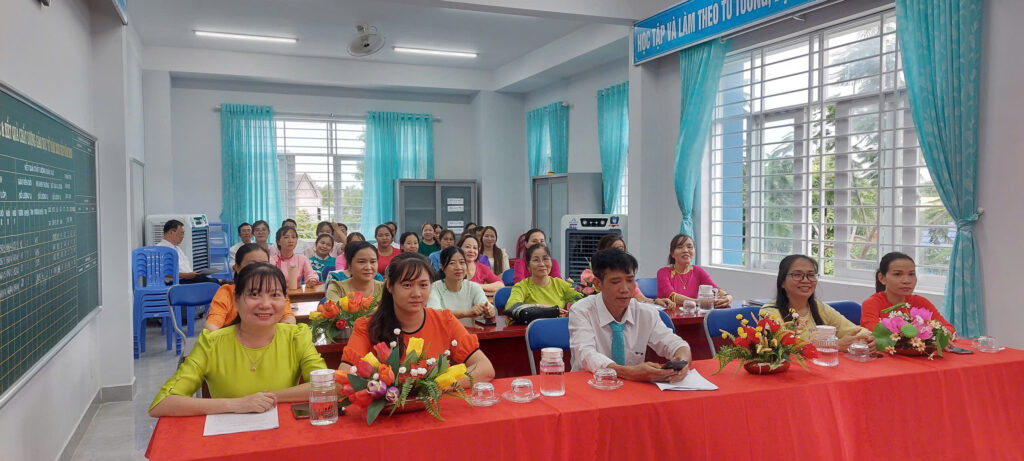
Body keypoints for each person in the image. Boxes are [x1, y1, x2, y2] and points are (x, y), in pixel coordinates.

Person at [149, 263, 327, 417]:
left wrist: (266, 398)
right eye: (254, 294)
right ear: (236, 300)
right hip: (228, 437)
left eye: (275, 295)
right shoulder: (212, 343)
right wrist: (237, 404)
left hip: (282, 432)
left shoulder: (296, 336)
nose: (266, 304)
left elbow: (326, 386)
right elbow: (162, 403)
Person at [339, 253, 495, 387]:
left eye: (423, 285)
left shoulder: (444, 320)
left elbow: (485, 368)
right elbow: (342, 379)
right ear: (390, 286)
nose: (417, 293)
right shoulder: (368, 327)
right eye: (407, 285)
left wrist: (437, 387)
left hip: (436, 407)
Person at [569, 249, 692, 382]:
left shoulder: (645, 313)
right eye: (615, 282)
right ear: (598, 284)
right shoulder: (582, 311)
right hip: (588, 385)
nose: (625, 289)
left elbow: (675, 344)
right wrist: (629, 372)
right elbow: (586, 355)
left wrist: (682, 362)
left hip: (633, 387)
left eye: (630, 280)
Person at [761, 255, 875, 350]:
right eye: (797, 275)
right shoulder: (769, 312)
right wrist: (834, 345)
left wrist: (870, 338)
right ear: (782, 282)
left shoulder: (819, 308)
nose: (805, 280)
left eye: (811, 275)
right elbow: (784, 346)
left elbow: (853, 330)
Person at [205, 244, 297, 331]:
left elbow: (288, 317)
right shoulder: (227, 292)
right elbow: (212, 325)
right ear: (237, 267)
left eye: (264, 264)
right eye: (252, 265)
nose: (259, 269)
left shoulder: (275, 291)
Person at [861, 252, 955, 334]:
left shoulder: (920, 302)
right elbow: (876, 334)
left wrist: (945, 336)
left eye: (911, 274)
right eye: (897, 274)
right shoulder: (872, 304)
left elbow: (948, 328)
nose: (907, 281)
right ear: (882, 278)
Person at [580, 234, 675, 309]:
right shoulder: (589, 276)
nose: (624, 289)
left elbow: (641, 299)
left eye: (622, 250)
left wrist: (655, 301)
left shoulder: (627, 277)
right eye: (615, 282)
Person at [656, 234, 731, 307]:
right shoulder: (663, 272)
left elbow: (715, 289)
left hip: (692, 313)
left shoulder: (697, 271)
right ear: (672, 253)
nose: (685, 250)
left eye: (689, 247)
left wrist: (727, 297)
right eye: (680, 247)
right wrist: (699, 302)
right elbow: (671, 296)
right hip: (668, 314)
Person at [427, 247, 497, 320]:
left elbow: (486, 305)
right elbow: (435, 314)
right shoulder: (435, 288)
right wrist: (467, 313)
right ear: (442, 267)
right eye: (452, 263)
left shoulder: (474, 287)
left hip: (470, 328)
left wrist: (489, 311)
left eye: (462, 262)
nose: (458, 267)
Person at [506, 244, 576, 310]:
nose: (542, 264)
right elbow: (511, 306)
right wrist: (539, 306)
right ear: (528, 266)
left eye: (545, 259)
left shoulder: (560, 284)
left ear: (551, 262)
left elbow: (579, 299)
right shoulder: (521, 286)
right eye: (536, 260)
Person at [157, 220, 218, 284]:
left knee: (208, 280)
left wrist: (192, 275)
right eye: (181, 233)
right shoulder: (160, 249)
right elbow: (161, 273)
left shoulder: (177, 248)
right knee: (212, 282)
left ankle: (220, 281)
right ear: (171, 232)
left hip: (186, 279)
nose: (183, 236)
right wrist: (186, 275)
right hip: (175, 282)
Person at [326, 241, 384, 308]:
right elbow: (333, 311)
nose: (368, 267)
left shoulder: (384, 289)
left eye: (373, 262)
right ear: (349, 265)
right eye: (361, 262)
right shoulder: (337, 288)